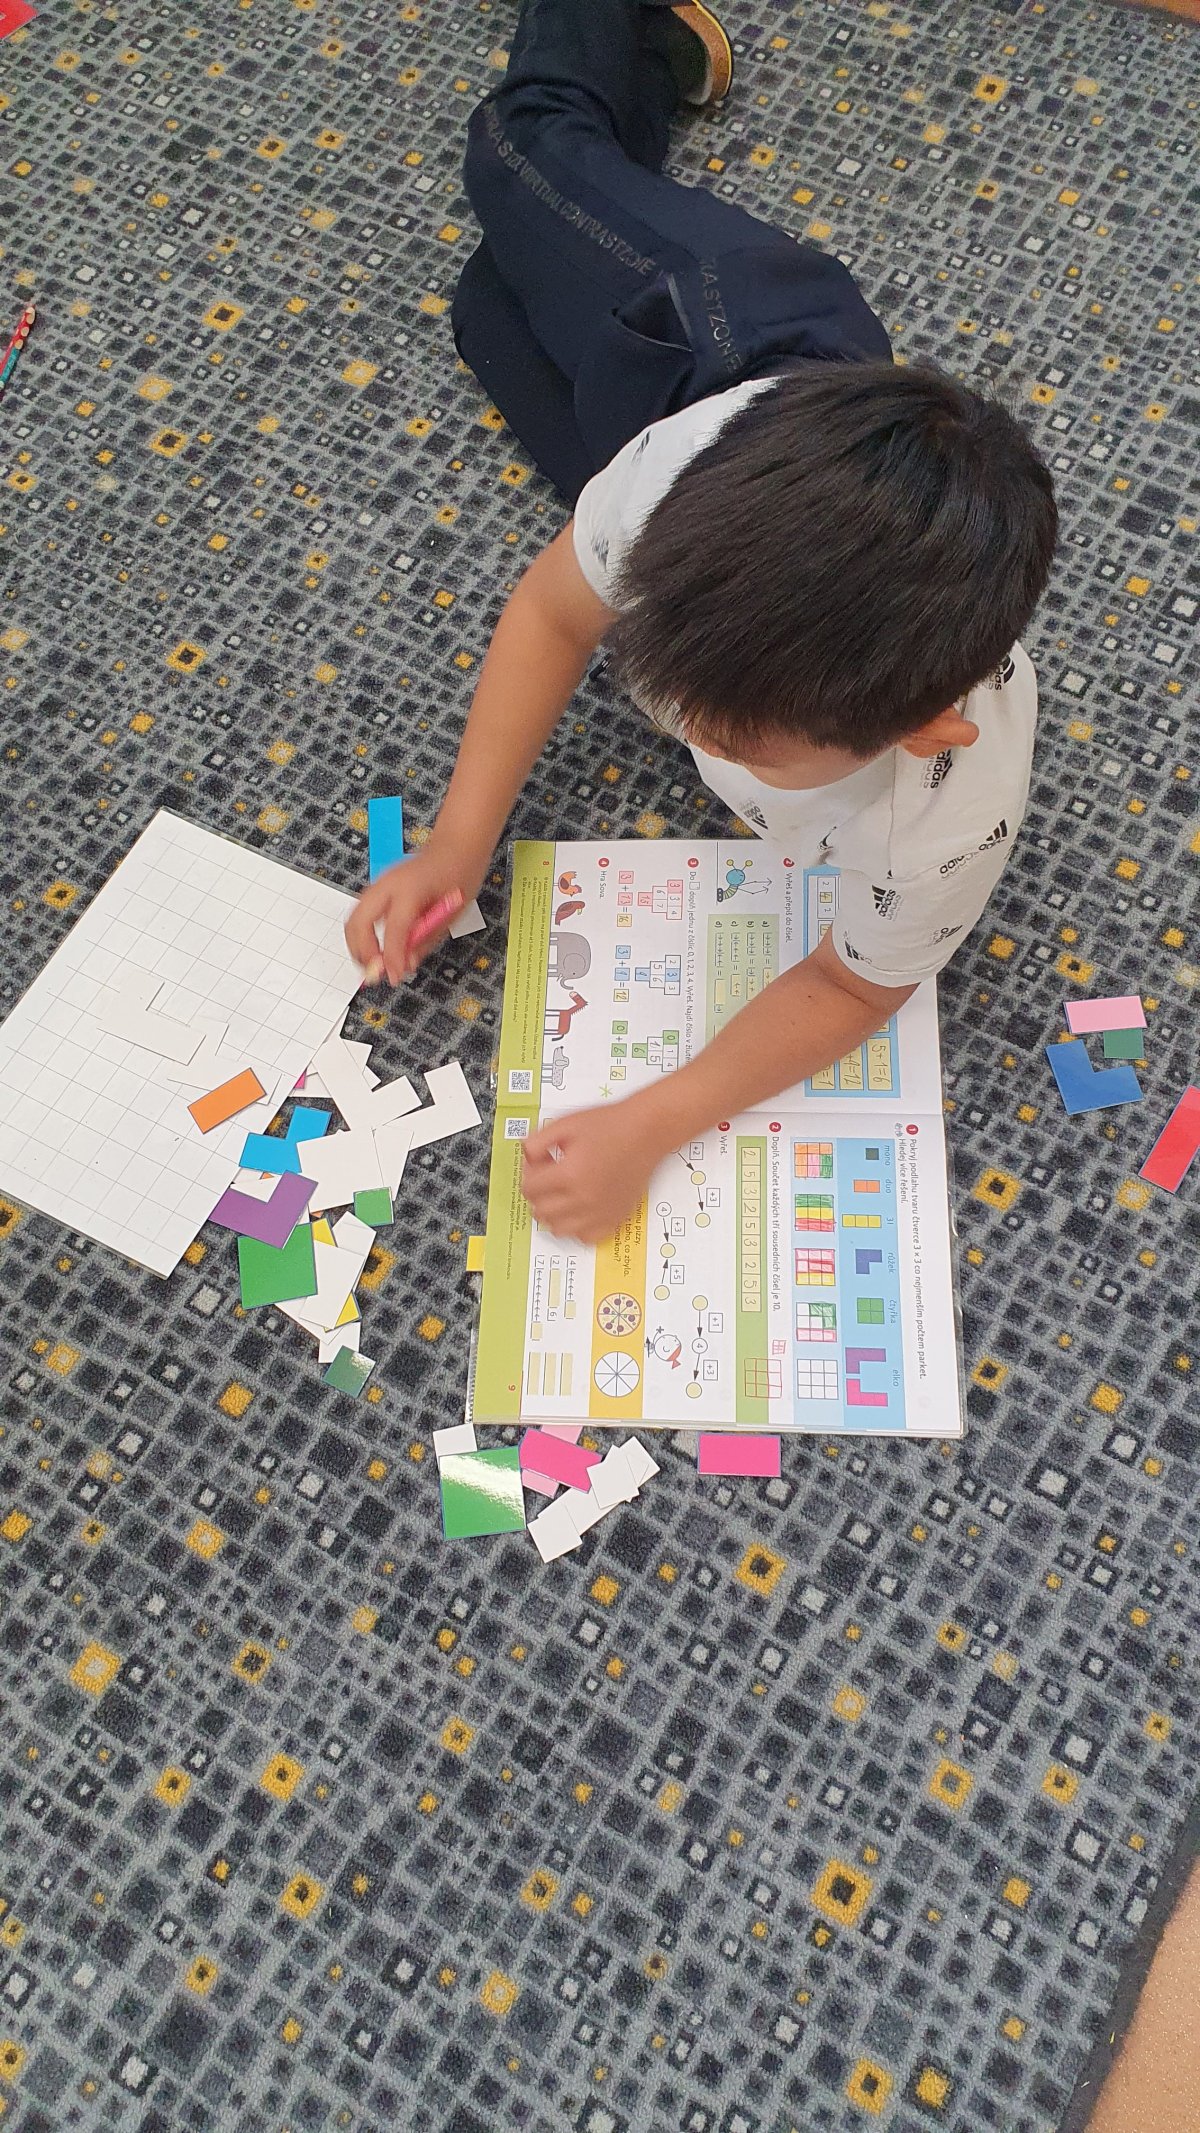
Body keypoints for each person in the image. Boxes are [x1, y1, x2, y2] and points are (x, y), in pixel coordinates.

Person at [345, 0, 1058, 1243]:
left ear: (926, 727)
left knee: (488, 312)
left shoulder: (949, 817)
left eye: (741, 736)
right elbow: (556, 613)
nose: (686, 724)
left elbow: (854, 987)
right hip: (724, 331)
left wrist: (654, 1119)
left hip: (723, 459)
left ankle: (660, 57)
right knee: (516, 151)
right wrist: (458, 842)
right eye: (673, 679)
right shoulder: (677, 486)